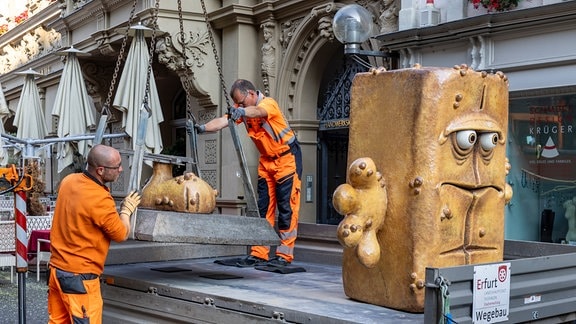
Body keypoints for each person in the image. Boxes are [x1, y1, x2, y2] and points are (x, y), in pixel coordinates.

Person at [195, 79, 302, 267]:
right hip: (266, 161)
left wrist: (242, 111)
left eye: (242, 102)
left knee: (287, 209)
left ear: (252, 94)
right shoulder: (242, 108)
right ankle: (259, 253)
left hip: (287, 159)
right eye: (238, 104)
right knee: (262, 210)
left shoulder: (268, 104)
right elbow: (223, 121)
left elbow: (258, 112)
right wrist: (202, 128)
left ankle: (284, 256)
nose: (239, 106)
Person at [47, 144, 141, 323]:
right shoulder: (99, 198)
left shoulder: (69, 181)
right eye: (117, 167)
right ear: (100, 170)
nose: (121, 169)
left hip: (56, 271)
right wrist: (126, 212)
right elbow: (121, 234)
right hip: (80, 278)